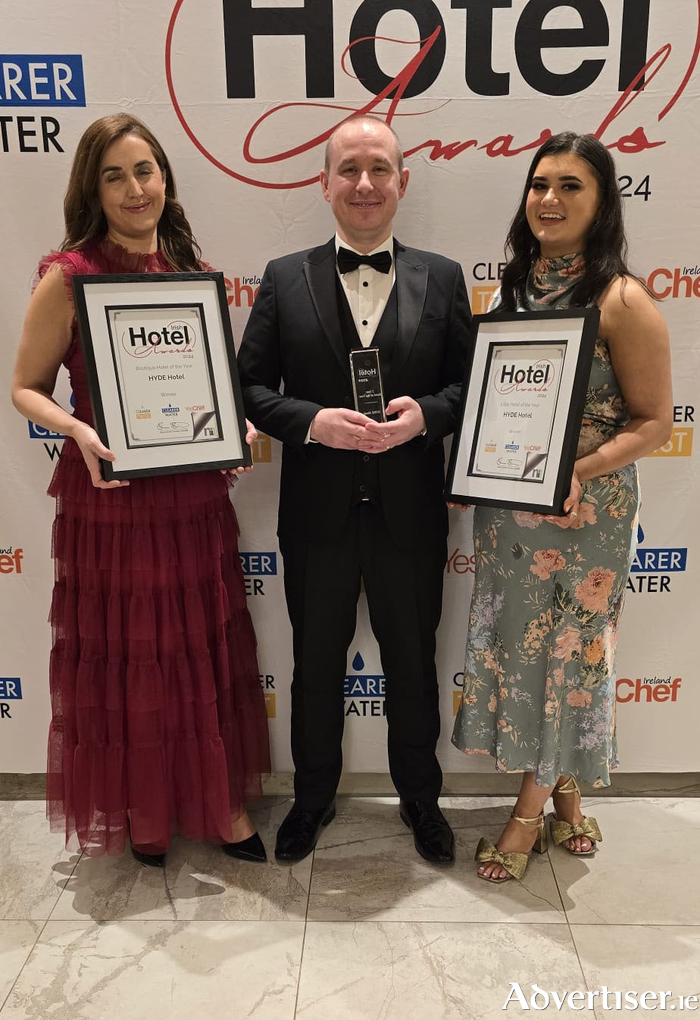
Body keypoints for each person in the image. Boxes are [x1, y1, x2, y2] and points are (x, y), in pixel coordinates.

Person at [12, 114, 270, 868]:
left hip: (191, 497)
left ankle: (218, 804)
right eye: (115, 175)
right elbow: (26, 388)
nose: (135, 189)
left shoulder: (184, 265)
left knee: (197, 645)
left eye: (146, 170)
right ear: (93, 187)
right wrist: (79, 431)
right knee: (134, 652)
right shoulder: (69, 274)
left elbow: (206, 381)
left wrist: (237, 425)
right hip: (112, 496)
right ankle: (144, 810)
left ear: (167, 179)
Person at [238, 115, 471, 864]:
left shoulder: (443, 274)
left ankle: (423, 803)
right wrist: (311, 422)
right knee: (314, 669)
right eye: (349, 169)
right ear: (324, 182)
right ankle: (310, 803)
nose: (364, 183)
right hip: (316, 518)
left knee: (413, 665)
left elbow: (474, 388)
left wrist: (425, 417)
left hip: (410, 514)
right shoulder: (282, 276)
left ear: (404, 180)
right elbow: (246, 388)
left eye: (379, 168)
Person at [451, 131, 672, 882]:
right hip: (511, 514)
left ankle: (525, 815)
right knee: (525, 652)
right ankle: (569, 790)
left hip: (587, 515)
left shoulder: (624, 298)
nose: (549, 198)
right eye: (539, 183)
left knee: (569, 659)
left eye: (571, 185)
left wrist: (578, 470)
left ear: (603, 200)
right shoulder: (510, 293)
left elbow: (654, 422)